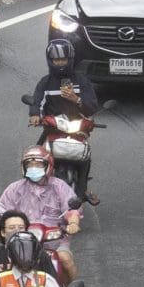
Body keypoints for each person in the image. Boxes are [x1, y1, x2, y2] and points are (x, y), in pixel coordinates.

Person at [0, 146, 81, 287]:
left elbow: (71, 209)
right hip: (20, 240)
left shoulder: (59, 187)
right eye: (30, 165)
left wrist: (73, 223)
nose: (33, 168)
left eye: (38, 165)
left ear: (48, 166)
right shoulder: (15, 189)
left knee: (65, 259)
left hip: (54, 241)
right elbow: (1, 211)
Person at [29, 40, 100, 205]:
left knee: (85, 157)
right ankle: (31, 186)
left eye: (63, 59)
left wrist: (76, 99)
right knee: (35, 155)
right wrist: (34, 115)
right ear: (50, 60)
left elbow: (92, 105)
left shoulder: (81, 81)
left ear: (71, 59)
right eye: (56, 60)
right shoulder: (45, 82)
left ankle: (83, 189)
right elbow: (37, 101)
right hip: (52, 127)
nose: (60, 63)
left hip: (77, 128)